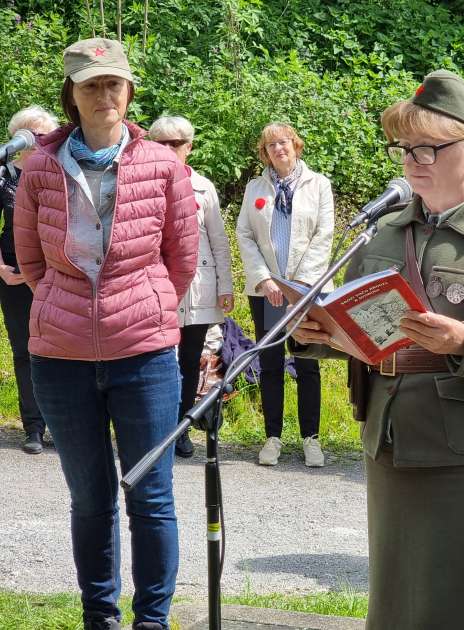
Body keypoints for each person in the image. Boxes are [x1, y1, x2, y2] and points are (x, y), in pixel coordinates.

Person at [291, 69, 464, 629]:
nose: (414, 160)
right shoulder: (386, 234)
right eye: (405, 147)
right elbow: (369, 333)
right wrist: (319, 337)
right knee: (395, 606)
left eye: (429, 148)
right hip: (390, 443)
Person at [13, 38, 197, 630]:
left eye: (114, 83)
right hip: (61, 357)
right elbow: (32, 263)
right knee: (90, 498)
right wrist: (66, 307)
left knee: (151, 496)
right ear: (71, 94)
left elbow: (181, 258)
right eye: (91, 84)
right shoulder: (39, 167)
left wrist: (142, 306)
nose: (104, 93)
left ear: (130, 91)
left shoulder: (164, 165)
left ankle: (152, 620)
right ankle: (100, 616)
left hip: (143, 353)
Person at [236, 122, 334, 468]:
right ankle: (272, 437)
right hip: (268, 293)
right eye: (271, 145)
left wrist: (301, 288)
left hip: (308, 292)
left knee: (308, 362)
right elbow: (244, 235)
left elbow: (324, 235)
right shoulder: (255, 188)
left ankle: (311, 438)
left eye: (284, 142)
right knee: (271, 363)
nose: (279, 149)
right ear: (264, 153)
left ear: (296, 145)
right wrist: (265, 280)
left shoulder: (319, 184)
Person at [148, 115, 233, 458]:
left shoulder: (204, 186)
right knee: (156, 362)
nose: (170, 149)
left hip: (197, 287)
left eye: (177, 143)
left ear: (189, 147)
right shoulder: (140, 181)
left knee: (187, 362)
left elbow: (218, 241)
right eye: (162, 143)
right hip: (155, 288)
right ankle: (156, 430)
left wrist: (225, 286)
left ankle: (181, 431)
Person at [0, 105, 58, 454]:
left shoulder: (57, 172)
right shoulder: (4, 174)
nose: (39, 141)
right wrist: (1, 270)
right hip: (13, 277)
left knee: (59, 351)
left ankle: (62, 423)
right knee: (24, 350)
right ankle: (33, 428)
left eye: (43, 135)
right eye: (32, 135)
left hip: (54, 277)